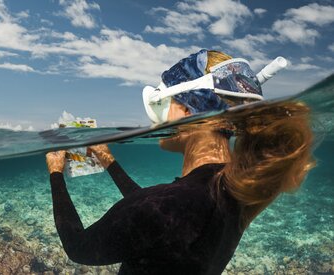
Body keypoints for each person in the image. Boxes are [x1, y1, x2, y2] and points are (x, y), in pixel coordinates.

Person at [45, 50, 314, 274]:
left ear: (186, 110)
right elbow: (159, 215)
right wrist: (110, 163)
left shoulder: (171, 205)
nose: (156, 120)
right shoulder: (238, 190)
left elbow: (78, 248)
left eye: (164, 105)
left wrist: (56, 173)